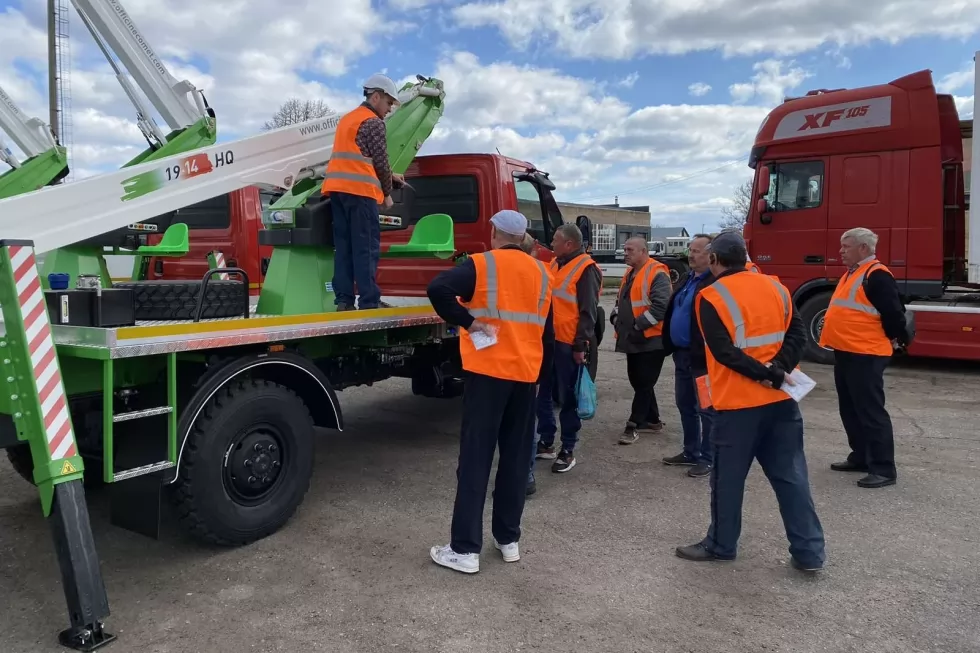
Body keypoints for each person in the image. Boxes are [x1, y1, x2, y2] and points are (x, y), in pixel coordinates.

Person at [674, 231, 825, 572]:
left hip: (737, 406)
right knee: (791, 477)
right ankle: (809, 553)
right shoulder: (776, 287)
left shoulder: (711, 296)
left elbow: (722, 352)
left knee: (727, 480)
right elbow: (798, 334)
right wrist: (778, 370)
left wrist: (766, 373)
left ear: (714, 260)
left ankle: (721, 544)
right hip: (782, 402)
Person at [425, 210, 554, 574]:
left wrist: (468, 321)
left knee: (476, 459)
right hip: (525, 376)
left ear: (494, 232)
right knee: (515, 460)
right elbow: (548, 331)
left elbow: (438, 289)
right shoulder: (543, 272)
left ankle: (465, 549)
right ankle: (508, 539)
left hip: (488, 373)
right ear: (524, 236)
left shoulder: (481, 264)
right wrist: (539, 376)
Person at [819, 227, 908, 489]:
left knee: (870, 412)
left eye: (846, 246)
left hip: (866, 354)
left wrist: (897, 339)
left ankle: (883, 468)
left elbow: (894, 315)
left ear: (864, 249)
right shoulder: (854, 273)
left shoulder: (877, 275)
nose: (840, 251)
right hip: (847, 352)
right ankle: (860, 457)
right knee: (850, 409)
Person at [321, 74, 406, 311]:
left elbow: (360, 155)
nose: (389, 109)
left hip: (338, 191)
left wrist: (391, 175)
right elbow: (379, 159)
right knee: (366, 247)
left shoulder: (349, 119)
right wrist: (387, 192)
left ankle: (344, 301)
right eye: (389, 103)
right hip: (360, 192)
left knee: (344, 248)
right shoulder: (373, 122)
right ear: (376, 96)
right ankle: (369, 301)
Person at [532, 224, 601, 475]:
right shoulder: (555, 264)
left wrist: (580, 344)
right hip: (549, 340)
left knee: (568, 397)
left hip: (567, 343)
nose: (551, 243)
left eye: (555, 240)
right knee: (543, 393)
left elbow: (588, 312)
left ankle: (568, 448)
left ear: (569, 244)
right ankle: (547, 441)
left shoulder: (586, 269)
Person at [661, 234, 716, 478]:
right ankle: (690, 451)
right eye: (690, 250)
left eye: (697, 251)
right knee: (685, 405)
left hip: (702, 358)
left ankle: (709, 457)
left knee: (706, 408)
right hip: (681, 354)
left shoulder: (714, 283)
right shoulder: (687, 278)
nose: (691, 255)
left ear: (711, 255)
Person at [610, 236, 672, 444]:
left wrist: (638, 325)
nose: (625, 253)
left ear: (643, 251)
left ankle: (633, 424)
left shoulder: (657, 273)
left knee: (644, 382)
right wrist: (616, 317)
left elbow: (662, 307)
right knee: (639, 381)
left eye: (630, 250)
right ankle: (652, 420)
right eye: (624, 249)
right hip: (633, 339)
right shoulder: (629, 273)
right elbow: (621, 300)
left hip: (651, 340)